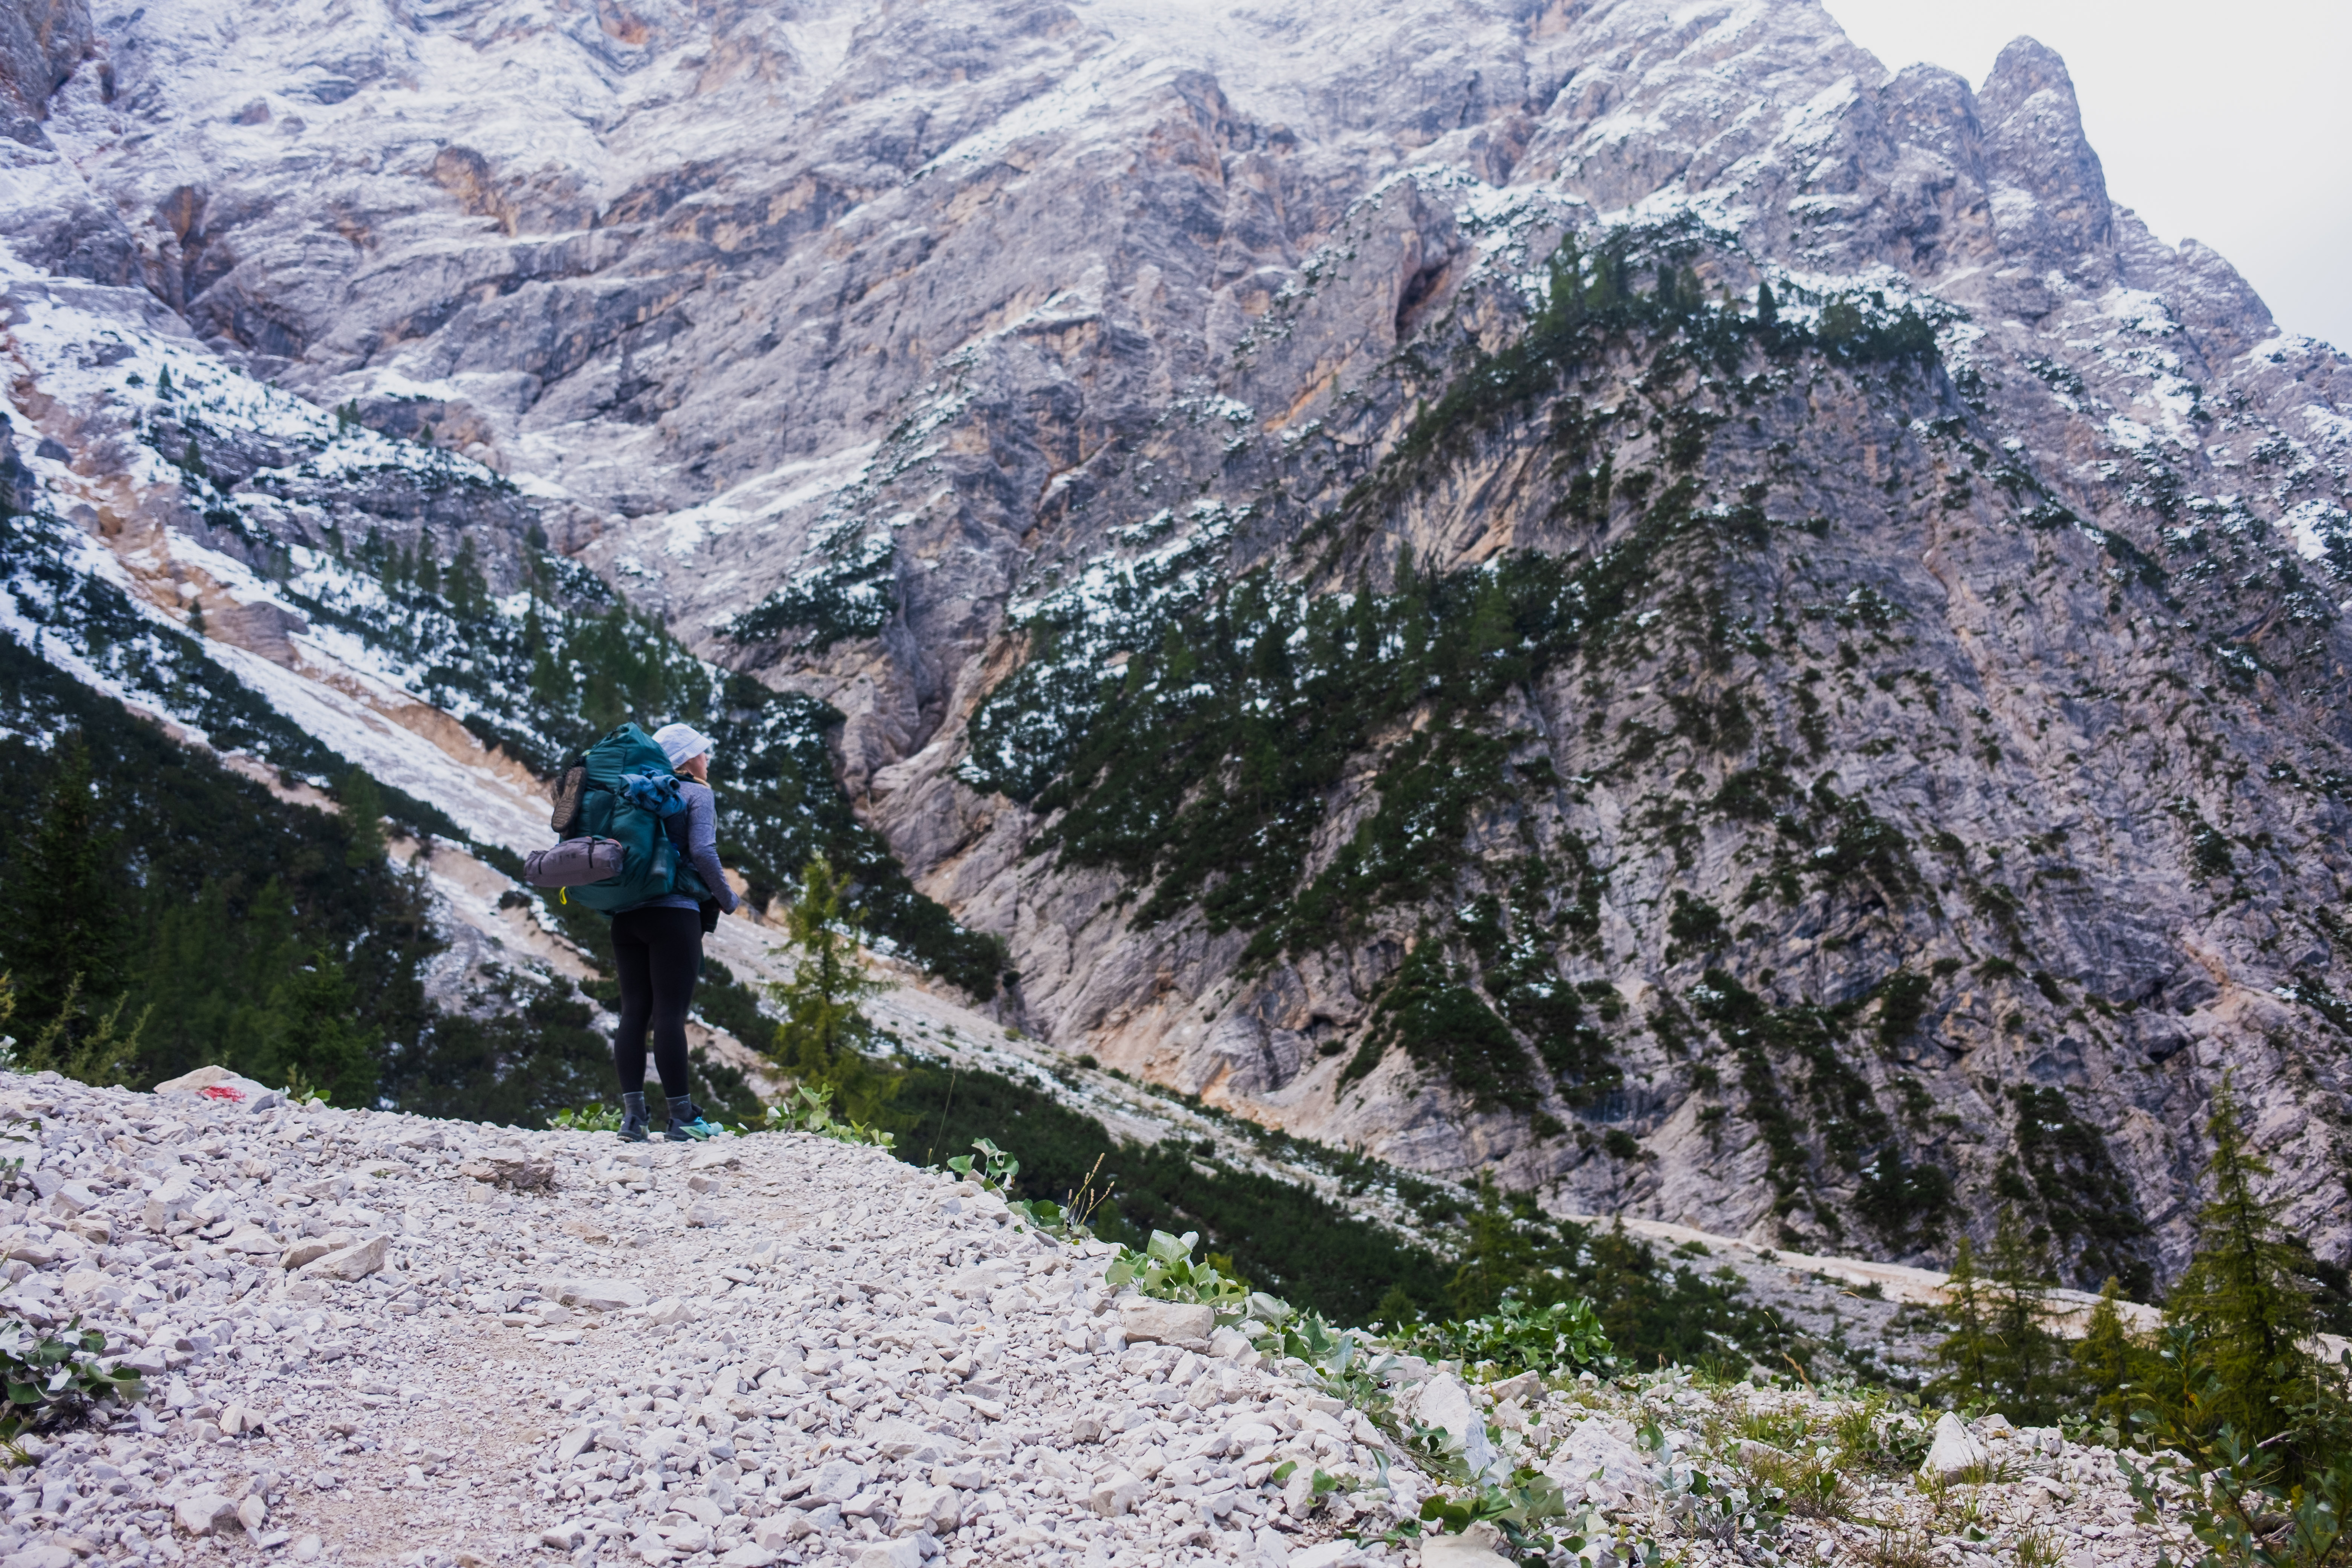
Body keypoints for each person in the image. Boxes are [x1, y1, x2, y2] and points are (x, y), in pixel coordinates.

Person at [611, 722, 740, 1141]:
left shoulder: (630, 794)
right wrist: (727, 896)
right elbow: (703, 850)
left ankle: (633, 1117)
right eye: (703, 752)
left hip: (627, 915)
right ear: (687, 758)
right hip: (674, 914)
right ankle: (683, 1117)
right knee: (670, 1013)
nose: (708, 759)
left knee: (633, 1012)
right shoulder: (697, 793)